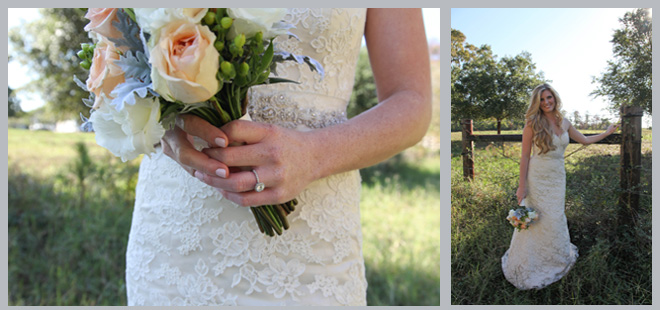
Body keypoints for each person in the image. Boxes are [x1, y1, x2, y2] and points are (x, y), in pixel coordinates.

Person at [125, 8, 431, 306]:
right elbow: (118, 67)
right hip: (176, 236)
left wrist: (313, 156)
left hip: (313, 249)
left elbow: (412, 103)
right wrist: (164, 124)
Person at [501, 83, 619, 290]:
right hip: (537, 177)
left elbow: (584, 140)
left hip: (557, 178)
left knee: (555, 217)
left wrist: (607, 132)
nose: (547, 102)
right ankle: (532, 261)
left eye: (549, 98)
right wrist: (521, 186)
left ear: (555, 98)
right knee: (536, 218)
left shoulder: (564, 122)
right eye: (542, 100)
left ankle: (555, 257)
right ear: (537, 103)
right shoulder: (532, 124)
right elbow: (524, 156)